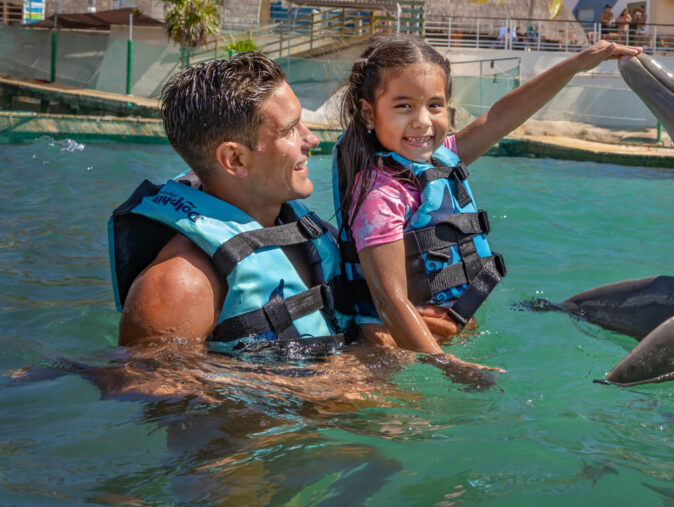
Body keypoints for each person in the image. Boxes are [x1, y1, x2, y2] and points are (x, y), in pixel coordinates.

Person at [332, 36, 640, 365]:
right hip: (394, 353)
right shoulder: (381, 196)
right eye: (403, 105)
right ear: (368, 112)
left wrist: (578, 63)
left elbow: (500, 116)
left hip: (436, 342)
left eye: (434, 105)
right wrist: (448, 365)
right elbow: (389, 301)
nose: (422, 120)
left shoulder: (441, 158)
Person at [111, 52, 352, 349]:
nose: (312, 139)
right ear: (235, 159)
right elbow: (144, 390)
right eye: (289, 129)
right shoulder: (180, 285)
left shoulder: (301, 232)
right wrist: (328, 383)